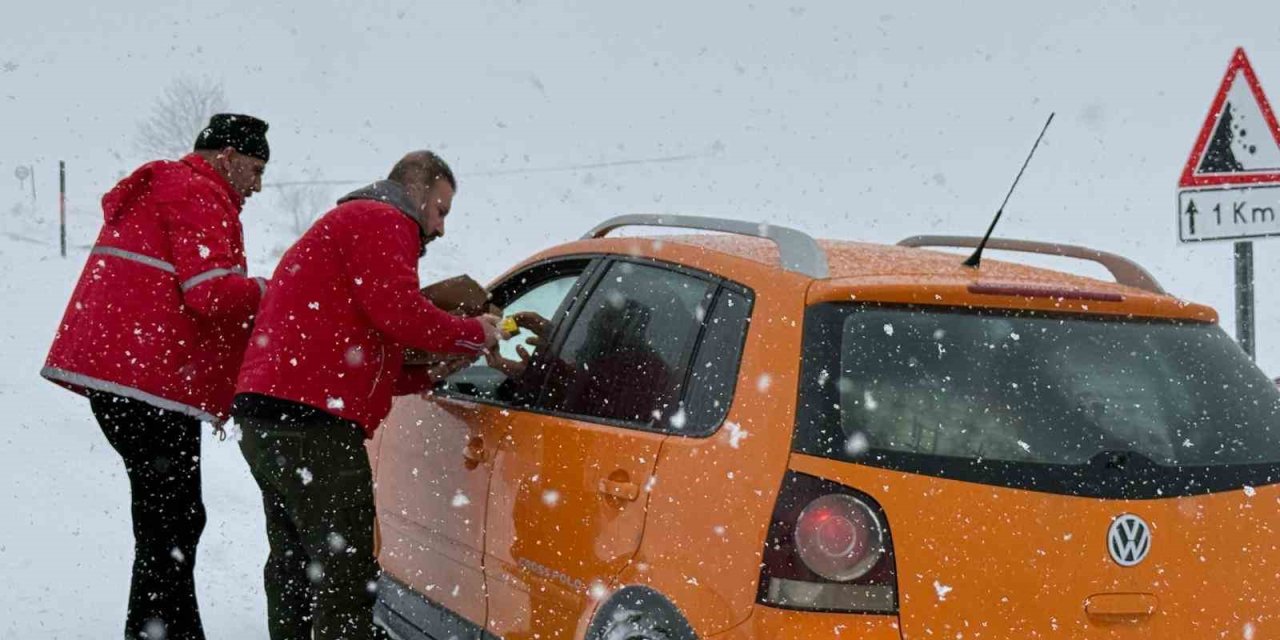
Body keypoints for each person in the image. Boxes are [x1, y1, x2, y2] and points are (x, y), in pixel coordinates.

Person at [232, 150, 505, 640]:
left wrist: (428, 375)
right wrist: (475, 333)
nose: (440, 228)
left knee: (295, 563)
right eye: (440, 210)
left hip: (269, 414)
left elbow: (363, 355)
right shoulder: (384, 220)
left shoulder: (349, 225)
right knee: (345, 572)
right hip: (311, 423)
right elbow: (398, 312)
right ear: (417, 191)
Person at [41, 113, 272, 640]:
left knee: (169, 517)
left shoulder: (172, 189)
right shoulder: (196, 192)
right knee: (172, 519)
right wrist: (266, 288)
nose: (258, 185)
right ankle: (160, 631)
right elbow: (212, 293)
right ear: (228, 158)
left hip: (131, 380)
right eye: (255, 169)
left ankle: (164, 629)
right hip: (147, 384)